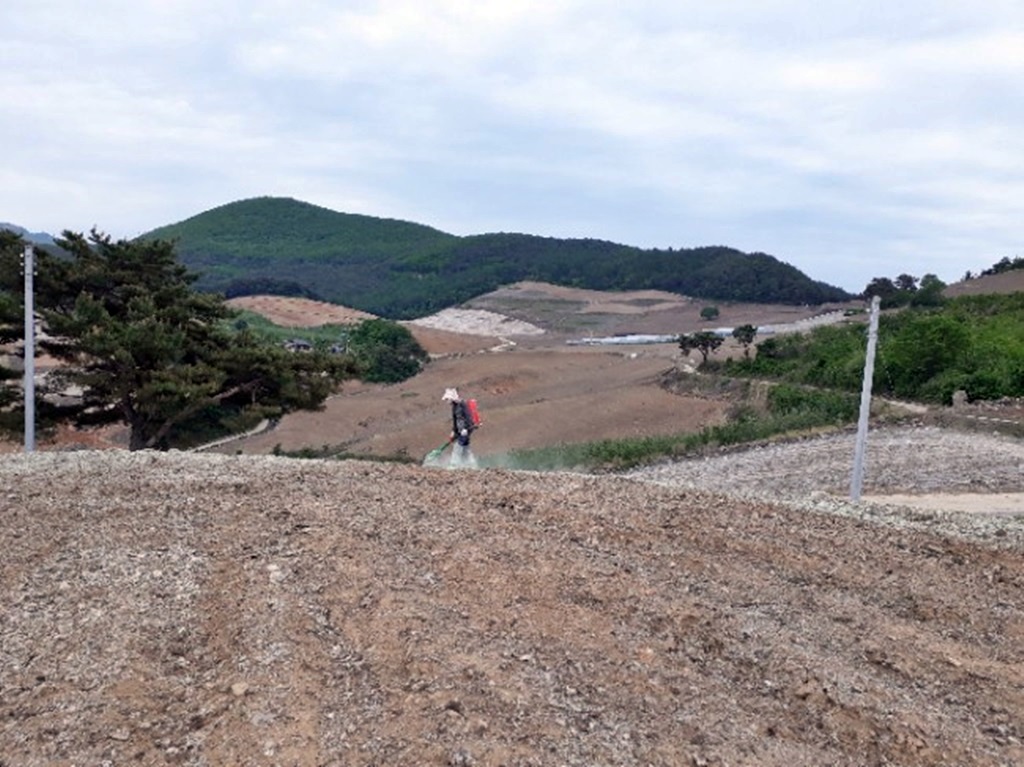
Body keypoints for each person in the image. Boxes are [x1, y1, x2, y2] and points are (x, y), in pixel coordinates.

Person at [441, 387, 478, 468]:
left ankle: (453, 465)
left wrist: (466, 429)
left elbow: (468, 417)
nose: (447, 401)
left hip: (466, 429)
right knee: (466, 448)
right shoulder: (454, 407)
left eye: (447, 399)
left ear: (451, 398)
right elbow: (455, 420)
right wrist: (454, 431)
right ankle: (472, 464)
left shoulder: (462, 404)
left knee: (458, 447)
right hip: (460, 430)